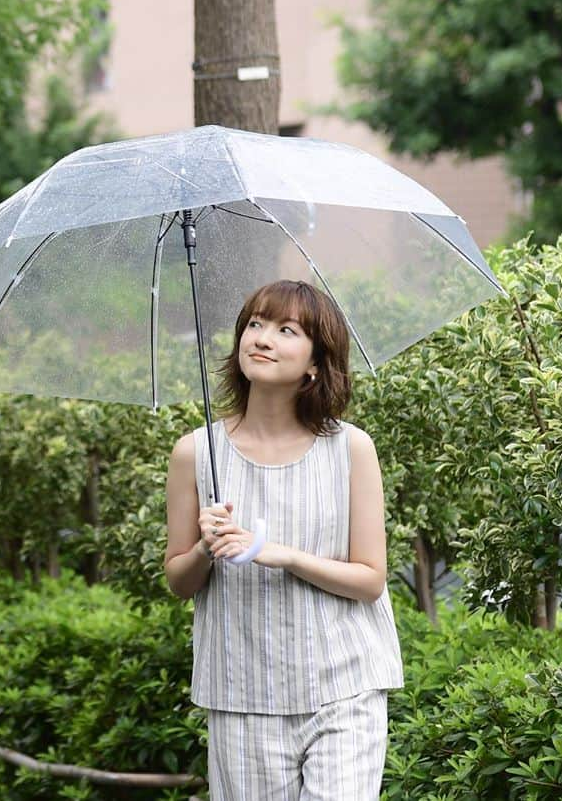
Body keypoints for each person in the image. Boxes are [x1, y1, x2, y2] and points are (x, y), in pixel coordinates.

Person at [164, 279, 404, 800]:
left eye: (285, 329)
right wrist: (207, 547)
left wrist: (283, 555)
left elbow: (370, 579)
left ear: (315, 363)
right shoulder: (196, 454)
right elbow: (179, 582)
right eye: (255, 324)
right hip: (242, 692)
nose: (263, 338)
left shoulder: (351, 449)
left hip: (344, 687)